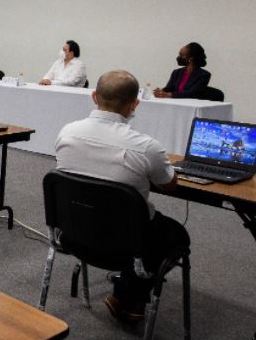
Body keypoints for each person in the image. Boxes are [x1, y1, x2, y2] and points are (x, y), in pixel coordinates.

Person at [55, 70, 190, 322]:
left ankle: (128, 298)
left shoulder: (67, 132)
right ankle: (128, 295)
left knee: (136, 224)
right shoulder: (147, 147)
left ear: (94, 96)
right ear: (134, 104)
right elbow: (170, 184)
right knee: (175, 235)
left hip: (74, 235)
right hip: (127, 245)